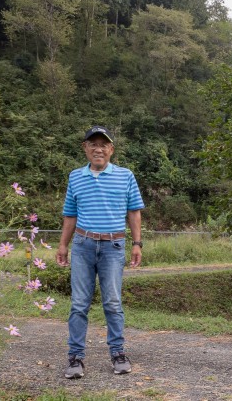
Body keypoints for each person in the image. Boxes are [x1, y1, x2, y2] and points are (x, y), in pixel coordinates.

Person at [56, 125, 145, 379]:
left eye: (103, 144)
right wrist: (63, 244)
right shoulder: (75, 177)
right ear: (85, 148)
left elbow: (134, 212)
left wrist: (137, 244)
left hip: (113, 247)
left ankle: (118, 353)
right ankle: (75, 358)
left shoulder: (125, 175)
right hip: (82, 246)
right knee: (79, 304)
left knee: (113, 303)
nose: (98, 148)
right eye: (93, 144)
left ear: (111, 149)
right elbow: (70, 214)